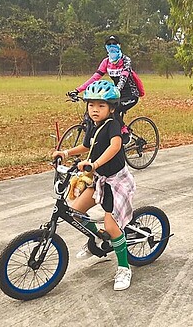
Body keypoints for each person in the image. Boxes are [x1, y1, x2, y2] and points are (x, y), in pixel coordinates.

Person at [53, 80, 136, 291]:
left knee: (111, 226)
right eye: (91, 105)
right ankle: (98, 239)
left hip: (116, 181)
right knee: (74, 211)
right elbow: (86, 146)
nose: (95, 110)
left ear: (112, 108)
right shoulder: (93, 126)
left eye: (101, 106)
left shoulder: (113, 125)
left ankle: (124, 268)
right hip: (98, 178)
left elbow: (115, 146)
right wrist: (66, 153)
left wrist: (95, 164)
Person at [69, 35, 142, 143]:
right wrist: (78, 90)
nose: (112, 46)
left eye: (114, 44)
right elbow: (95, 78)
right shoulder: (106, 62)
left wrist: (116, 91)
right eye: (109, 44)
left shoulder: (126, 60)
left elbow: (123, 78)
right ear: (106, 47)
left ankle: (124, 131)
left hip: (130, 94)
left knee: (113, 109)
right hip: (118, 93)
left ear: (119, 46)